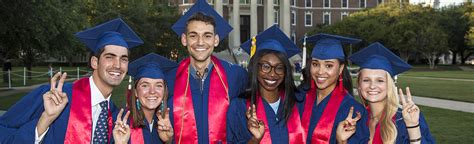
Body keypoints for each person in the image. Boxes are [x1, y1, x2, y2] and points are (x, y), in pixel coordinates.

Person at [0, 18, 143, 143]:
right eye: (110, 57)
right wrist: (44, 121)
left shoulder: (114, 114)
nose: (117, 65)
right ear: (94, 62)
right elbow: (4, 131)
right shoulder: (55, 95)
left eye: (123, 59)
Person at [167, 0, 248, 143]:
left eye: (207, 36)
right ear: (184, 39)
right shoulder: (169, 79)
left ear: (216, 40)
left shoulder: (236, 76)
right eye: (193, 35)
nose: (200, 42)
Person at [226, 25, 305, 143]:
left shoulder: (297, 103)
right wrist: (255, 139)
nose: (272, 74)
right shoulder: (239, 108)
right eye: (266, 66)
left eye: (279, 68)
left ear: (286, 72)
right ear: (255, 67)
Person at [346, 42, 435, 143]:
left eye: (380, 80)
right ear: (359, 85)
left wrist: (413, 127)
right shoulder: (358, 120)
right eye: (366, 80)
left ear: (390, 85)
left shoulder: (403, 119)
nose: (372, 86)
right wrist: (342, 141)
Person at [297, 33, 369, 143]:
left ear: (341, 68)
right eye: (315, 64)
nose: (320, 72)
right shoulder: (299, 99)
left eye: (329, 65)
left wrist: (342, 142)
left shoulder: (353, 111)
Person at [113, 53, 177, 144]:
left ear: (164, 92)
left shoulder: (167, 124)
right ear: (135, 92)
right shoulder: (119, 123)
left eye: (158, 85)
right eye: (145, 85)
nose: (152, 91)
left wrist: (168, 141)